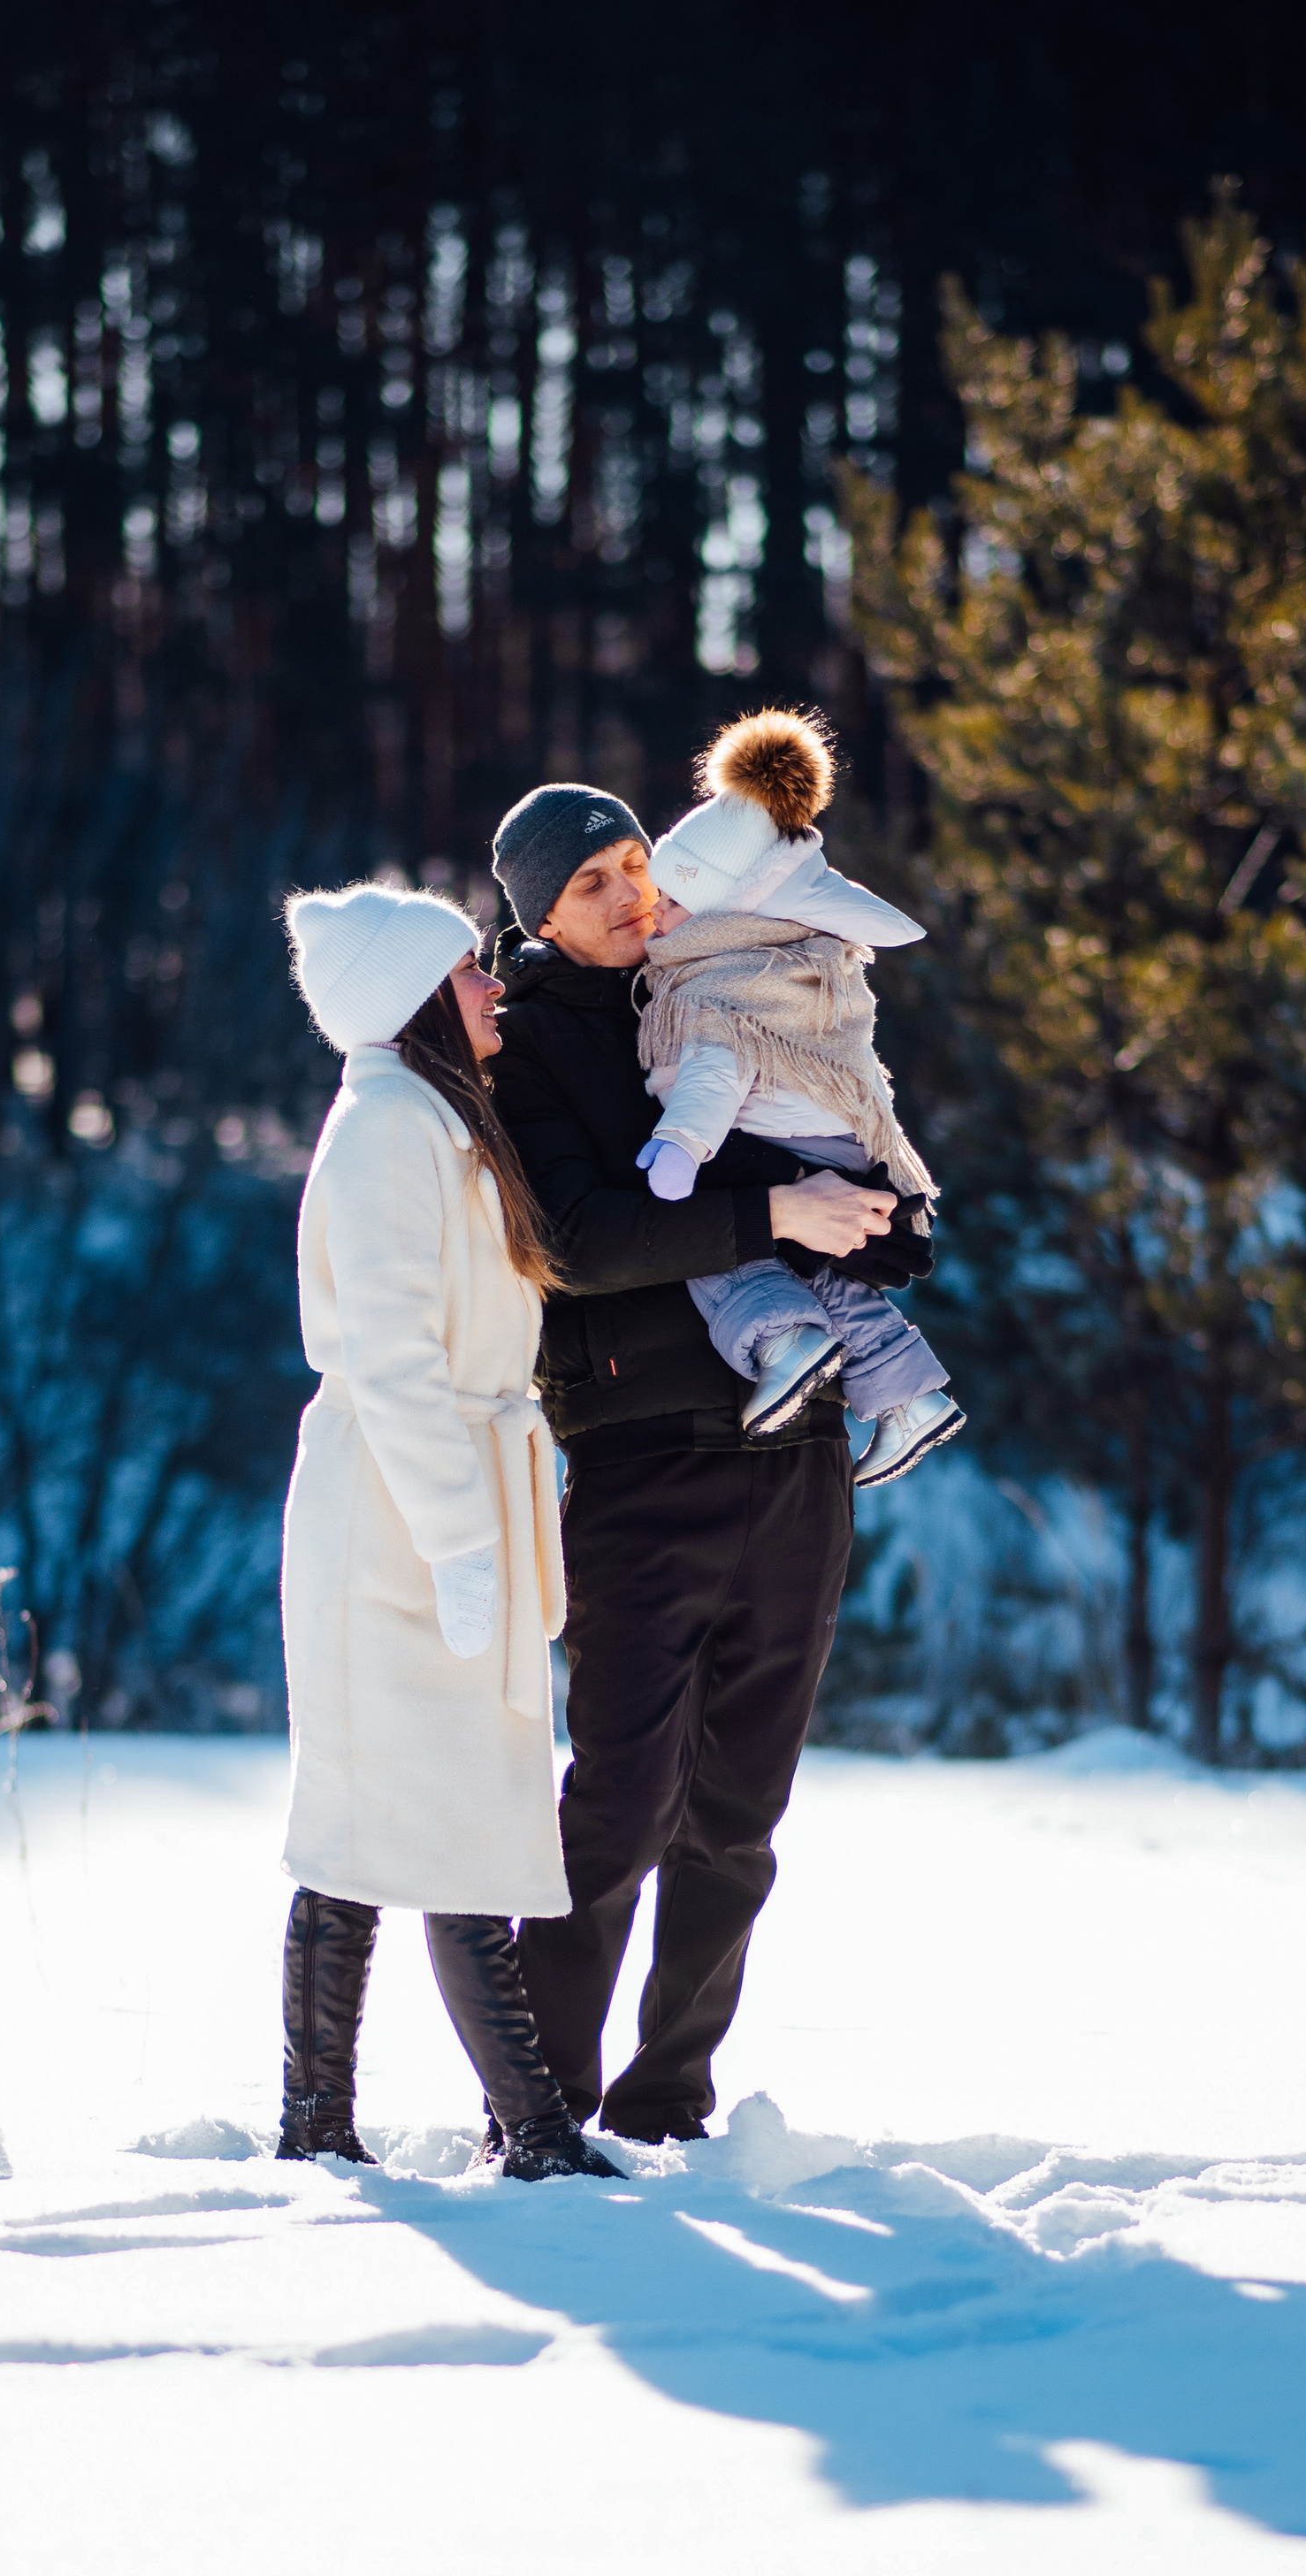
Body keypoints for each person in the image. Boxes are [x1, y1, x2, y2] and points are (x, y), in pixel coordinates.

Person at [485, 763, 939, 2144]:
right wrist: (779, 1215)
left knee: (740, 1810)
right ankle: (544, 2106)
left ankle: (668, 2099)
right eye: (590, 883)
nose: (629, 896)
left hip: (798, 1451)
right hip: (641, 1453)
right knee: (618, 1803)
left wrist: (875, 1214)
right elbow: (576, 1237)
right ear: (540, 914)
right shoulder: (531, 1038)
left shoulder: (745, 971)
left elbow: (880, 1199)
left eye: (635, 863)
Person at [274, 879, 622, 2183]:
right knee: (380, 1809)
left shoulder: (432, 1119)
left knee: (446, 1804)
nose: (494, 985)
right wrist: (463, 1544)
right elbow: (393, 1360)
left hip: (445, 1497)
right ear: (413, 999)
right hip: (395, 1517)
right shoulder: (382, 1132)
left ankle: (507, 2127)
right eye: (471, 970)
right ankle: (379, 2124)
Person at [638, 707, 966, 1492]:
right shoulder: (797, 959)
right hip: (838, 1145)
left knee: (711, 1245)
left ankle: (784, 1344)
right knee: (833, 1279)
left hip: (780, 1148)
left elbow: (716, 1068)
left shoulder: (719, 980)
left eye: (671, 904)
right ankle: (909, 1401)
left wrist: (679, 1148)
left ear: (729, 913)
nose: (655, 916)